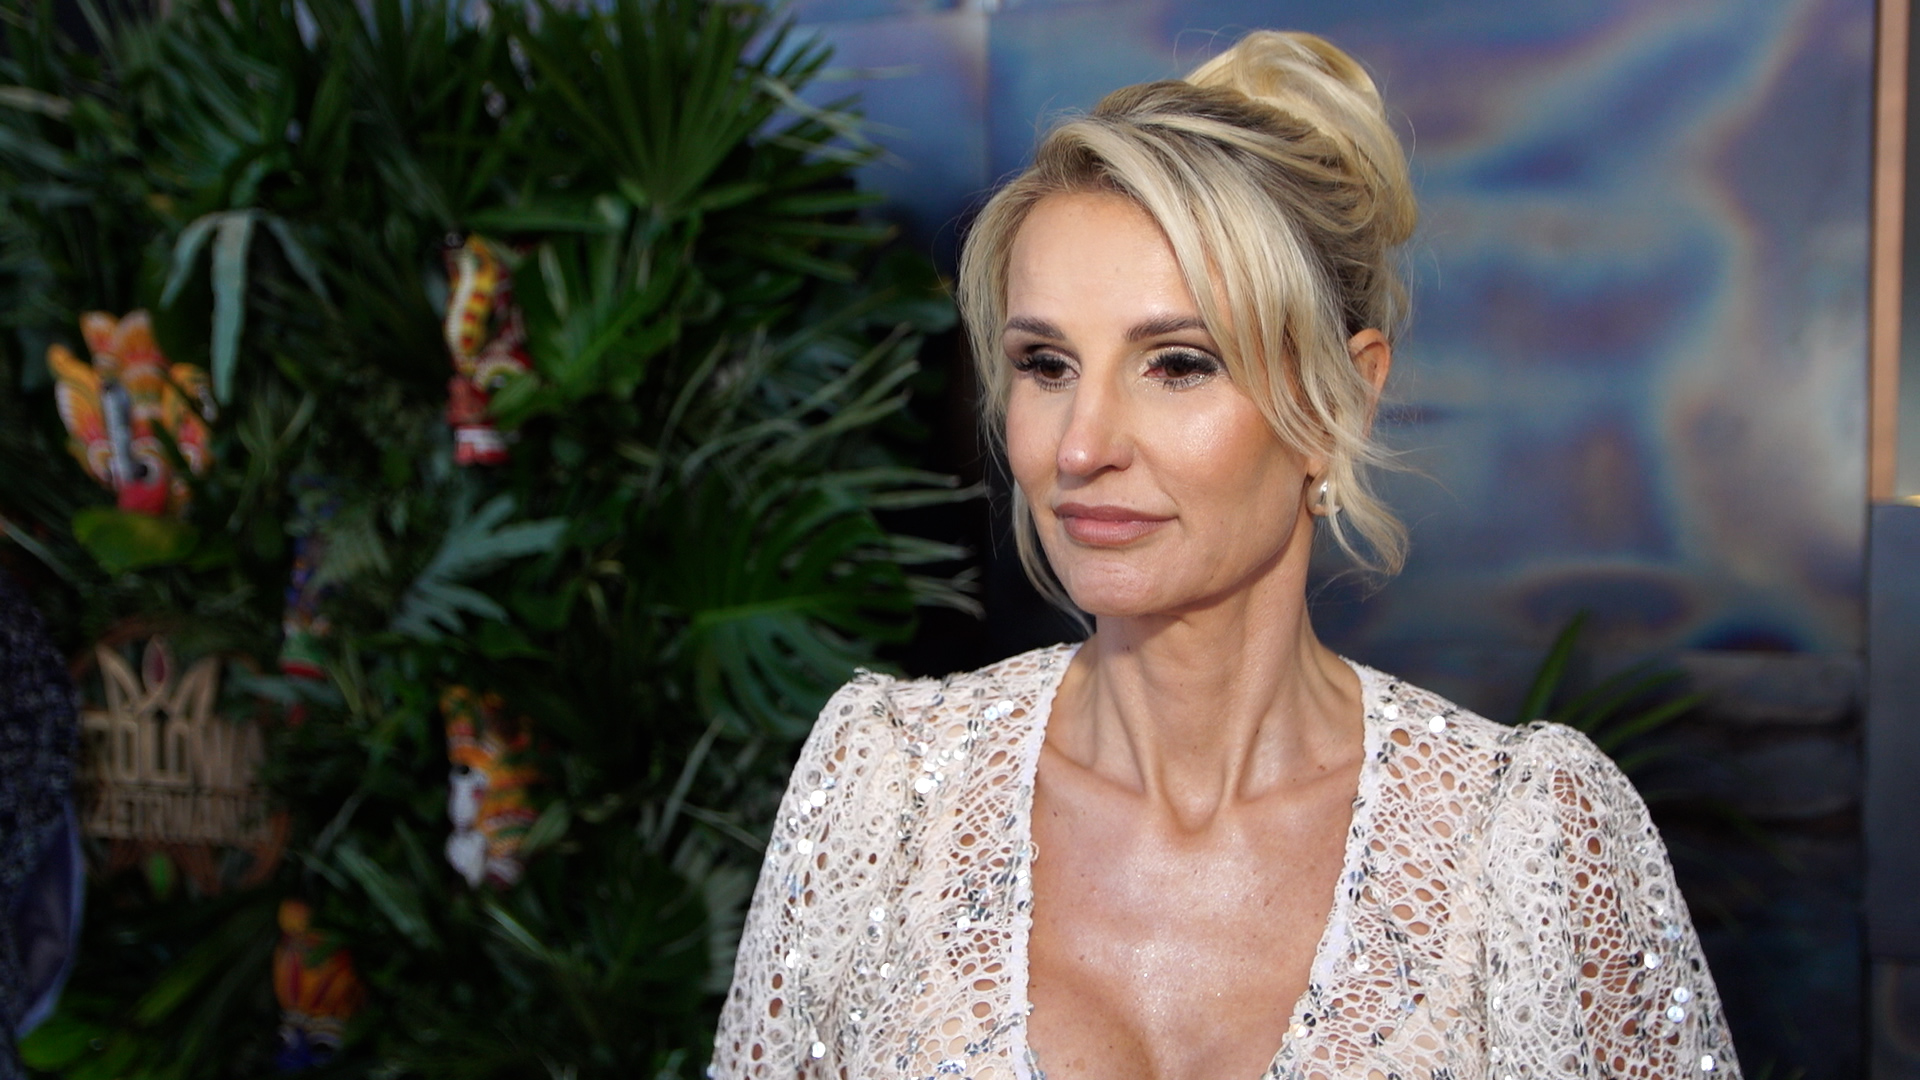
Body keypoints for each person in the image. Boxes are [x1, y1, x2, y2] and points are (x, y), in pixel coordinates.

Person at [711, 29, 1740, 1080]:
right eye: (1047, 364)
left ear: (1340, 402)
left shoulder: (1527, 843)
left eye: (1177, 364)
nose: (1081, 447)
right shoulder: (886, 791)